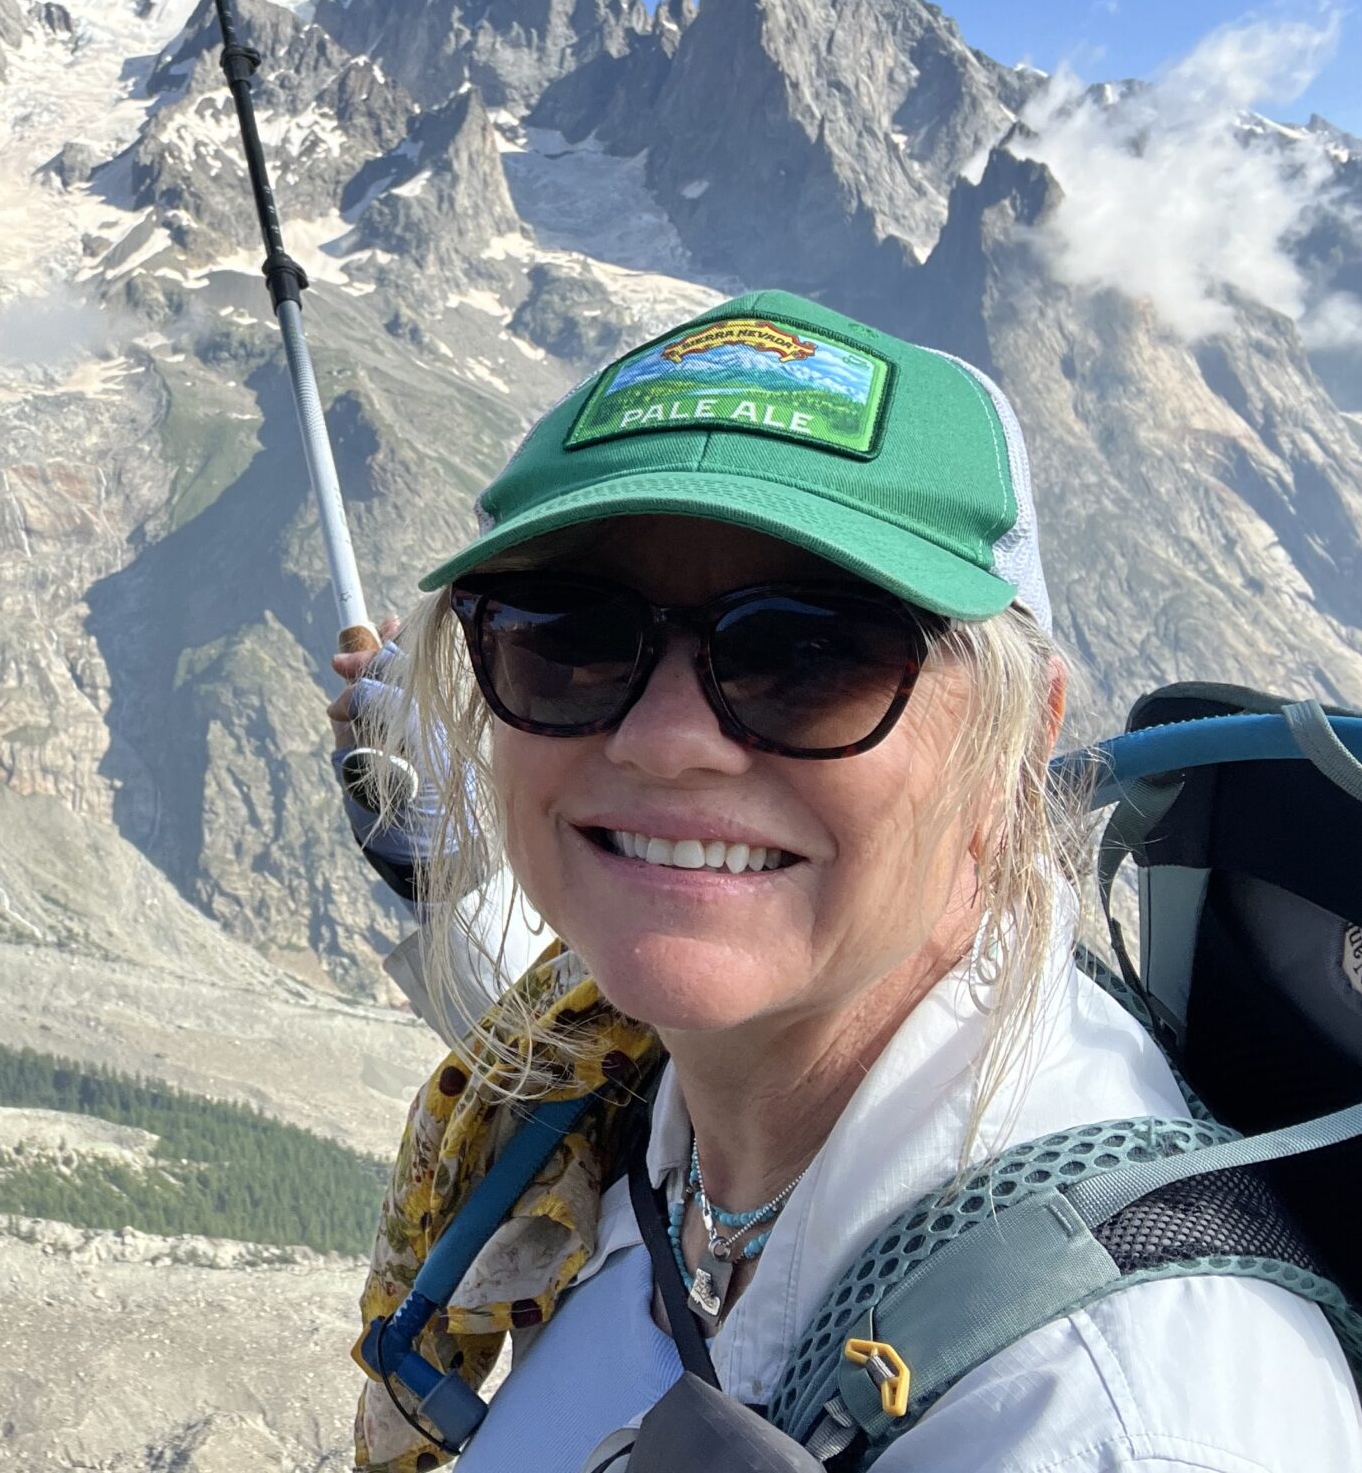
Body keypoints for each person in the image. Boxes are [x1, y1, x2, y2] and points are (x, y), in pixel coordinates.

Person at [332, 291, 1362, 1470]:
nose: (666, 739)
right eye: (566, 637)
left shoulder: (1105, 1418)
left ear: (1018, 746)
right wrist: (428, 844)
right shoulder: (631, 1098)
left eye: (806, 652)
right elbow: (589, 938)